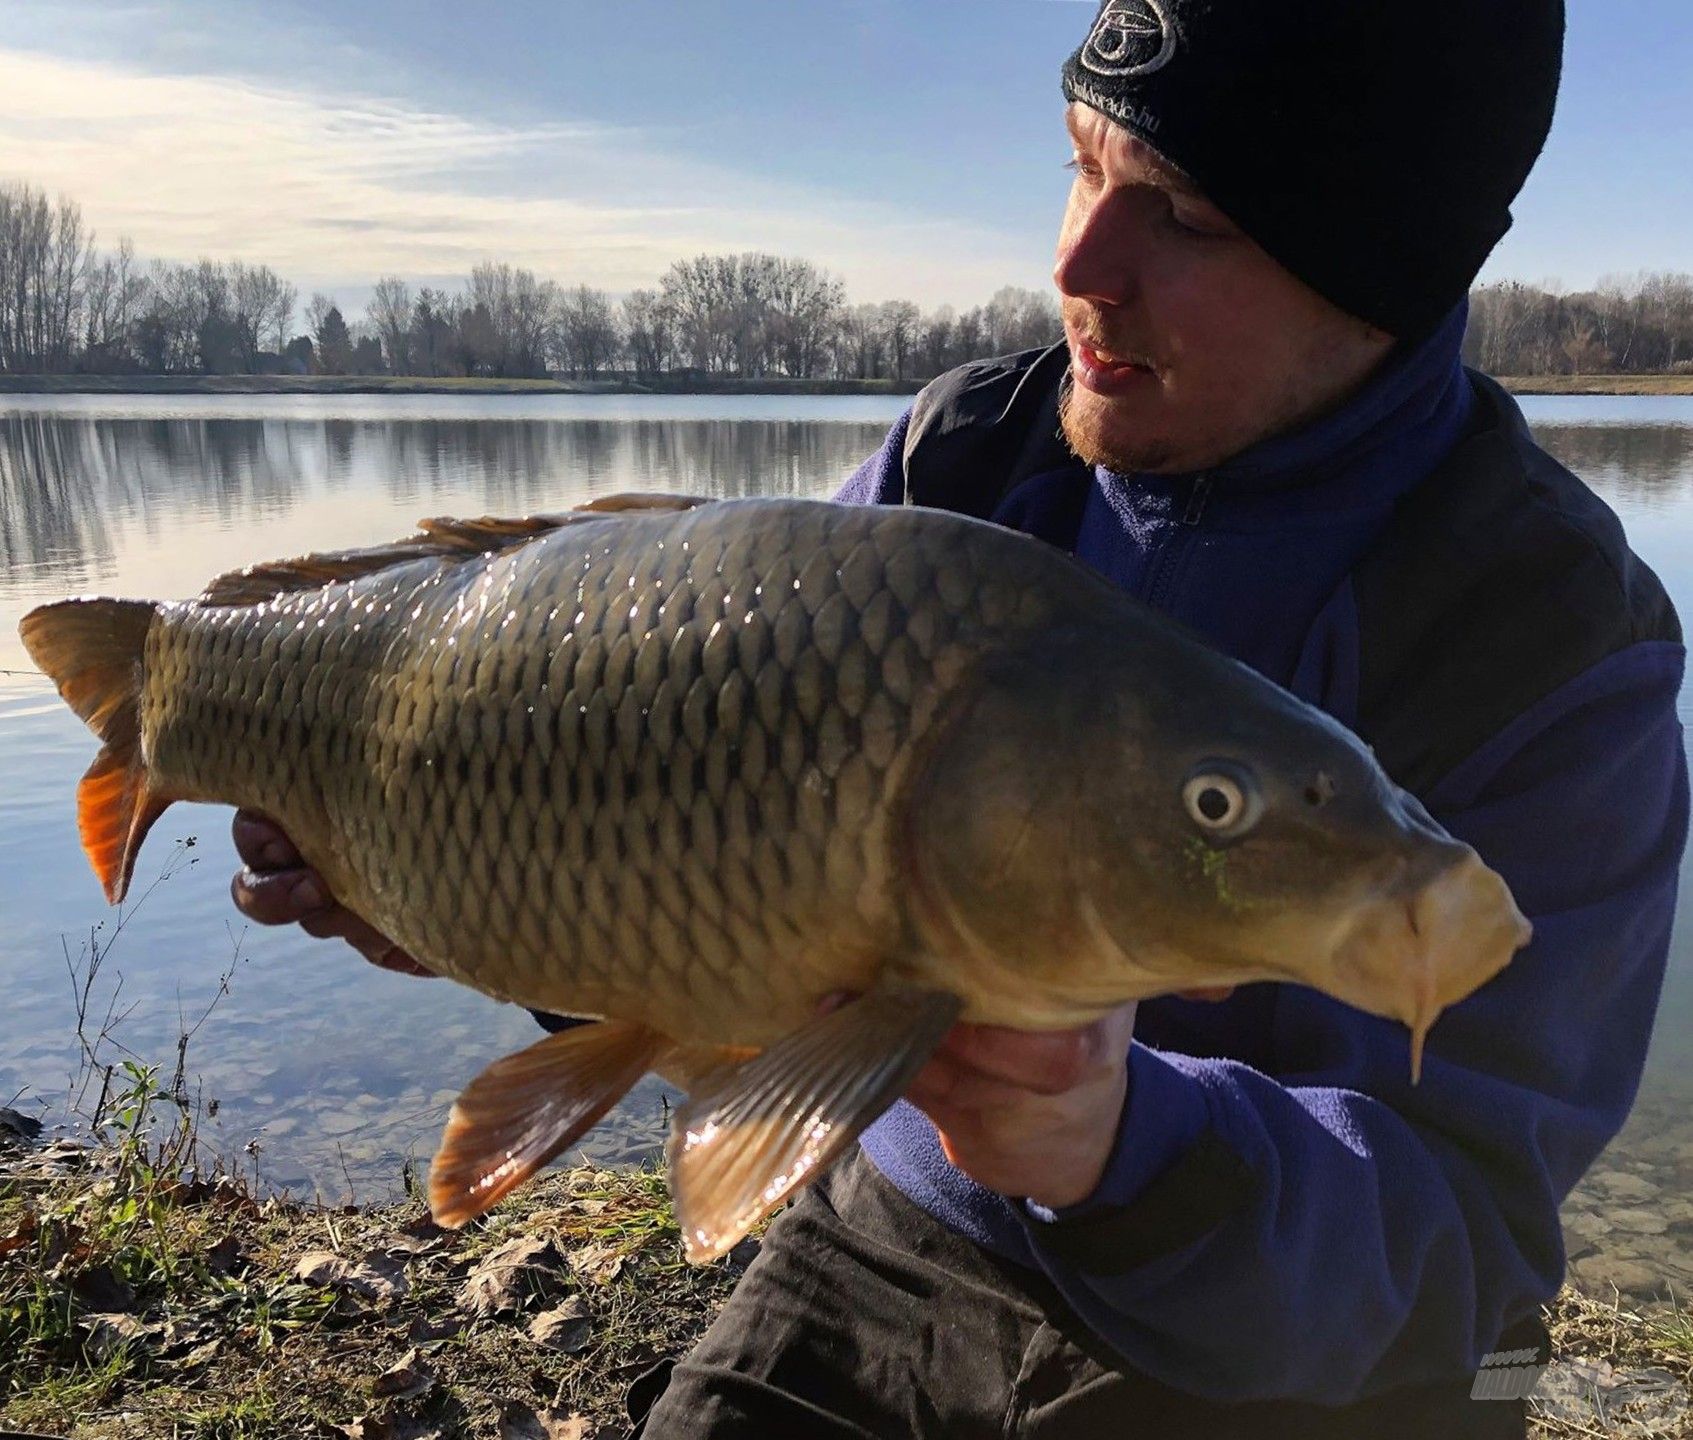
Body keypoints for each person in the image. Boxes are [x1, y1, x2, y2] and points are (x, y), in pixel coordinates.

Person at [232, 1, 1689, 1434]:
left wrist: (1115, 1143)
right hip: (895, 1233)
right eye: (1083, 164)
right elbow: (719, 912)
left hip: (1301, 1354)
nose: (1078, 263)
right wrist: (460, 891)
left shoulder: (1549, 634)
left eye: (1184, 215)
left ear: (1383, 269)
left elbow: (1458, 1242)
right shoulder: (967, 456)